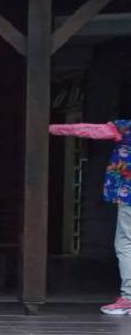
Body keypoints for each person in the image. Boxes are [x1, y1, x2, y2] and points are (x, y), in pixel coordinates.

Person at [48, 116, 131, 314]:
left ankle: (129, 297)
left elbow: (91, 130)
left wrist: (51, 128)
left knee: (125, 243)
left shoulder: (126, 128)